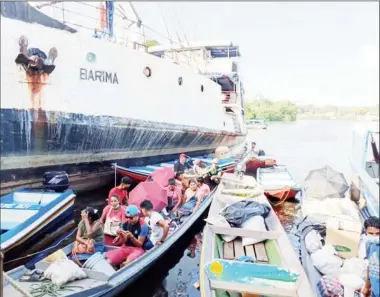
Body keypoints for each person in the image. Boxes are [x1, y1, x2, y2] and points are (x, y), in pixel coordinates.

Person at [362, 216, 380, 297]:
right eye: (371, 233)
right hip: (374, 292)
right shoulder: (368, 244)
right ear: (366, 231)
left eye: (378, 233)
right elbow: (370, 266)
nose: (375, 236)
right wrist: (367, 286)